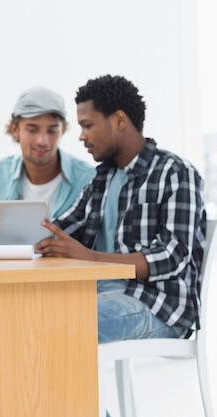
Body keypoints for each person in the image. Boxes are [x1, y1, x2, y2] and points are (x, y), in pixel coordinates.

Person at [35, 74, 206, 344]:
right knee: (26, 314)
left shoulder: (175, 172)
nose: (81, 136)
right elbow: (60, 230)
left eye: (87, 125)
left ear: (119, 120)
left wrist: (90, 258)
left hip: (157, 304)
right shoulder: (103, 179)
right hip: (102, 291)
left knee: (64, 326)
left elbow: (173, 256)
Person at [0, 86, 95, 244]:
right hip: (10, 268)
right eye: (32, 130)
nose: (42, 141)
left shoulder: (88, 178)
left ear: (63, 130)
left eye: (52, 131)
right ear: (15, 129)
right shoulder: (1, 173)